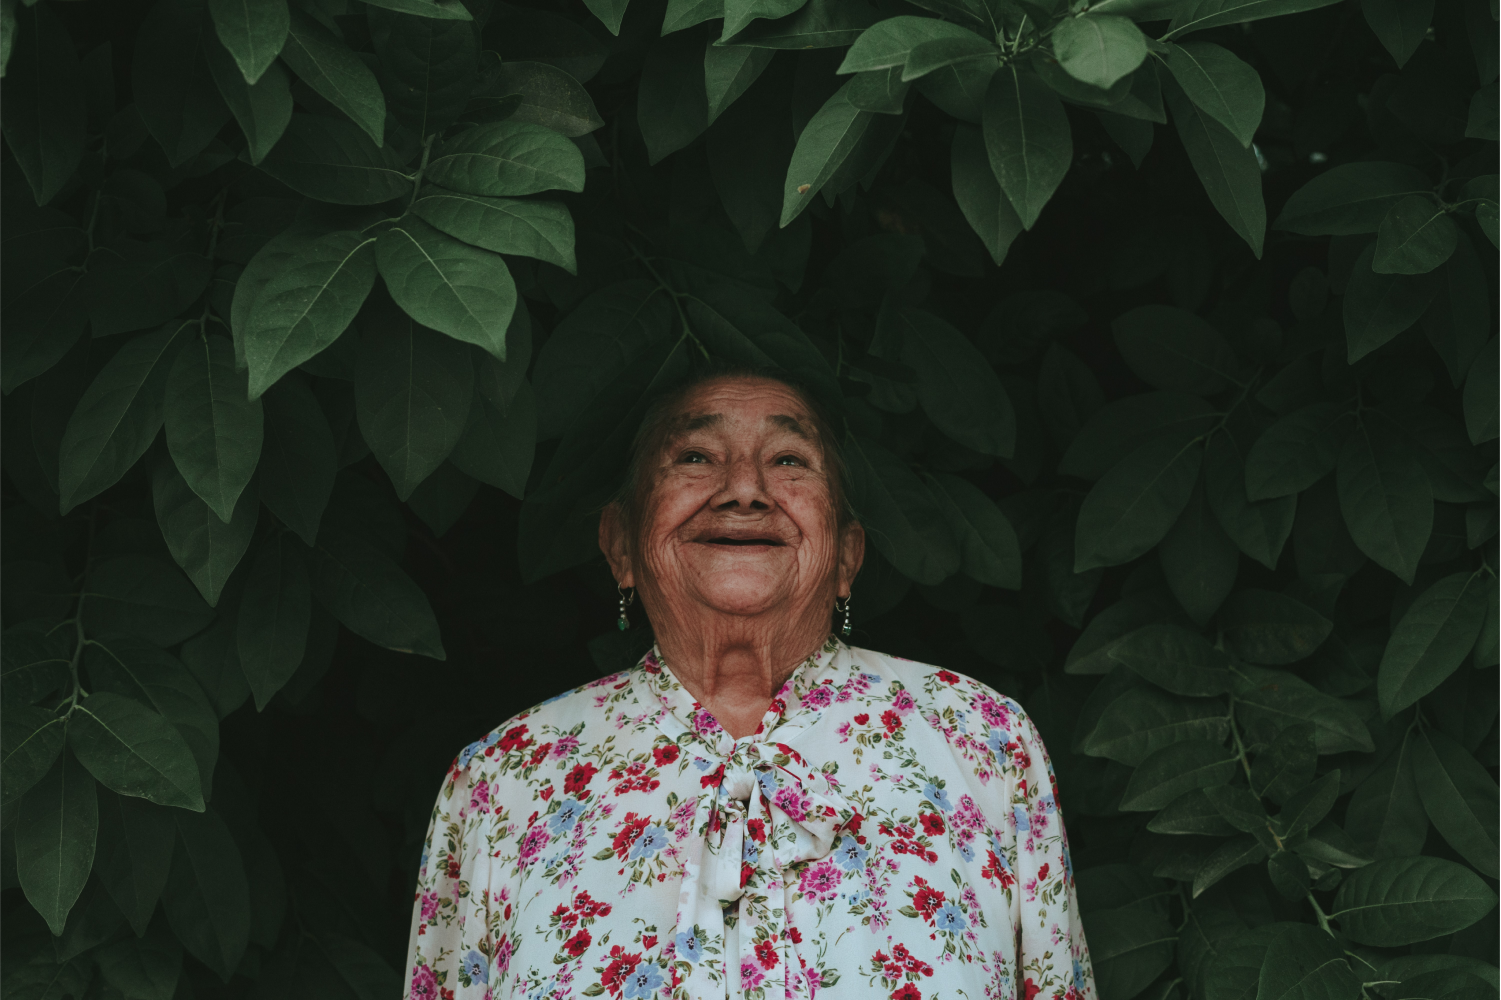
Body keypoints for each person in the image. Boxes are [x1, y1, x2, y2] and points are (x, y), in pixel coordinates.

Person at [404, 368, 1097, 1000]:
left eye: (788, 460)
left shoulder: (980, 738)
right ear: (619, 545)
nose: (743, 488)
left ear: (847, 555)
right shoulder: (507, 777)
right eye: (695, 457)